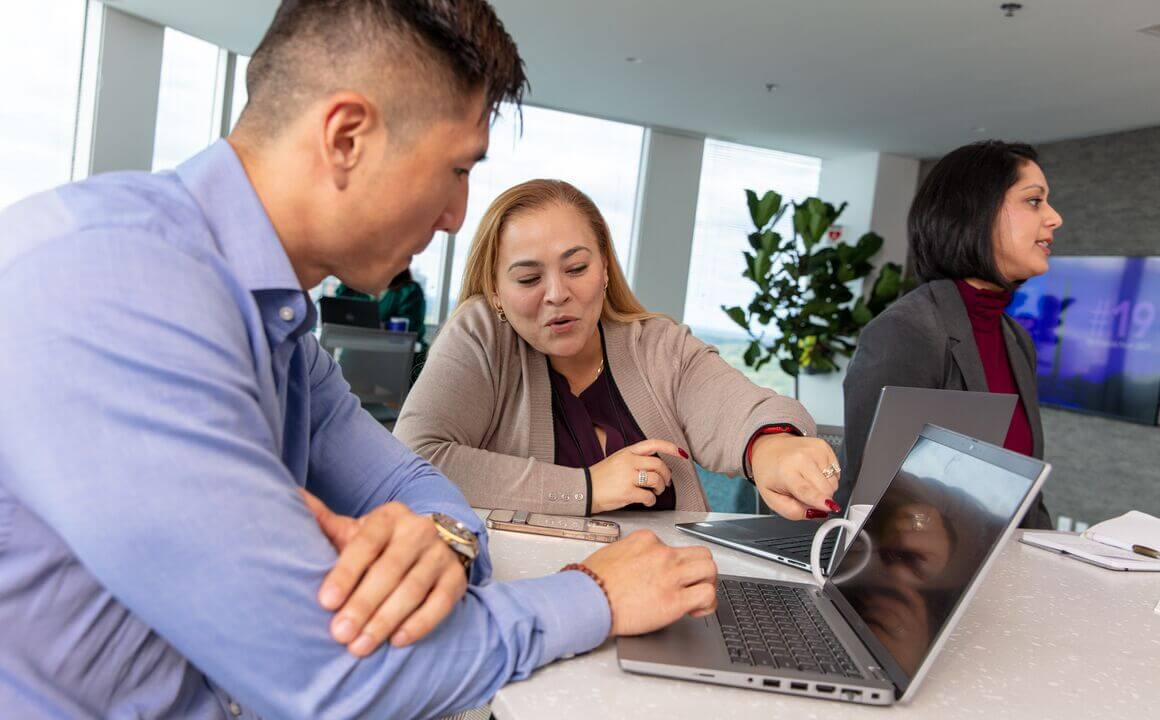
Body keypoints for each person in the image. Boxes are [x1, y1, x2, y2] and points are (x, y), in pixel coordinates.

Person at [0, 2, 718, 718]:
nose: (456, 217)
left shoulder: (275, 326)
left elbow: (410, 478)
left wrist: (438, 547)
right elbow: (332, 676)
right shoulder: (113, 292)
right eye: (456, 169)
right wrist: (593, 595)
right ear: (347, 137)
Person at [395, 179, 842, 519]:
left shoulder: (658, 345)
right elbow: (415, 460)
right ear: (495, 292)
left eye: (576, 267)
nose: (556, 293)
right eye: (529, 279)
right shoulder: (481, 337)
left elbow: (738, 410)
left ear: (604, 267)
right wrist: (587, 488)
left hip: (672, 602)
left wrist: (771, 447)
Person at [841, 140, 1061, 529]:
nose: (1054, 217)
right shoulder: (906, 332)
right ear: (977, 212)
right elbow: (879, 502)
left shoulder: (1015, 338)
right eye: (1034, 201)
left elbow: (1025, 496)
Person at [337, 267, 429, 378]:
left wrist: (381, 326)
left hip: (397, 359)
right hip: (357, 357)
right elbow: (339, 311)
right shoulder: (353, 288)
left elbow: (412, 328)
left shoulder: (409, 290)